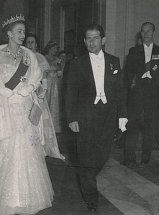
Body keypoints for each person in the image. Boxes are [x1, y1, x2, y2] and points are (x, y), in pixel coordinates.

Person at [0, 15, 63, 215]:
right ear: (9, 33)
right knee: (2, 150)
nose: (23, 35)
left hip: (24, 108)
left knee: (24, 150)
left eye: (24, 32)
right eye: (19, 31)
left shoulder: (28, 55)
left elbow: (36, 78)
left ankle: (22, 197)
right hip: (3, 107)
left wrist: (30, 88)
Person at [66, 24, 127, 212]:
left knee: (103, 153)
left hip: (107, 115)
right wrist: (72, 118)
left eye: (95, 38)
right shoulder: (76, 64)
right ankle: (91, 198)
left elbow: (120, 91)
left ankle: (88, 175)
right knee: (85, 158)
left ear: (103, 40)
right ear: (84, 41)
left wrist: (123, 116)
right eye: (88, 38)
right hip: (84, 116)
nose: (91, 42)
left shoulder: (114, 61)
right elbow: (70, 93)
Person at [122, 22, 159, 167]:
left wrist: (153, 76)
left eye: (148, 31)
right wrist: (136, 79)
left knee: (150, 127)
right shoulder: (133, 51)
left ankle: (145, 159)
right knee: (132, 127)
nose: (145, 34)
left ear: (154, 33)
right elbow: (128, 72)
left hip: (154, 96)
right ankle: (129, 159)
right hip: (136, 95)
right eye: (143, 31)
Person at [25, 32, 64, 157]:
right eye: (28, 42)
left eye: (33, 42)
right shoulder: (21, 56)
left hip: (37, 91)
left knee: (37, 118)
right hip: (24, 91)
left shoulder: (40, 57)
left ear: (36, 45)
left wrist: (44, 90)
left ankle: (38, 145)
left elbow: (45, 76)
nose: (30, 44)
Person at [42, 41, 62, 133]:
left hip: (55, 82)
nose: (55, 50)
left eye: (56, 48)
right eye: (54, 48)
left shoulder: (57, 59)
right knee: (47, 101)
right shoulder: (44, 58)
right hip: (47, 81)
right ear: (49, 48)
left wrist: (58, 72)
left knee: (55, 103)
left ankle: (54, 126)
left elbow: (60, 72)